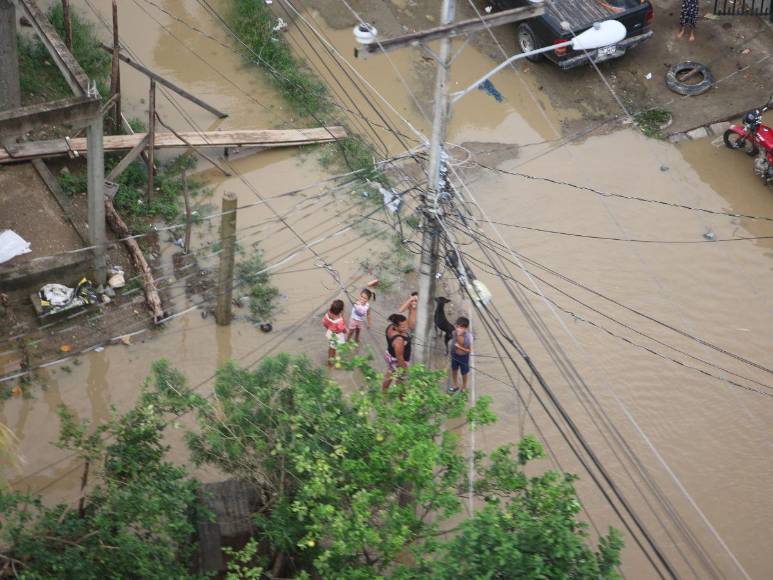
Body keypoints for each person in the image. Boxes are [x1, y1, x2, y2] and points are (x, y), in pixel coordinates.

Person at [382, 294, 418, 391]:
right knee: (400, 381)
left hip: (390, 354)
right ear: (396, 327)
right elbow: (400, 357)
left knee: (390, 374)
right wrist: (405, 370)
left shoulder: (390, 327)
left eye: (406, 325)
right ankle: (401, 401)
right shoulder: (399, 340)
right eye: (403, 326)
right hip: (397, 360)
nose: (406, 328)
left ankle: (383, 393)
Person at [448, 317, 472, 394]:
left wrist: (459, 347)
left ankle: (464, 386)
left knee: (464, 373)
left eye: (461, 327)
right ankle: (455, 385)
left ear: (465, 328)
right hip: (454, 355)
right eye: (458, 327)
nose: (459, 329)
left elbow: (469, 350)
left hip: (464, 357)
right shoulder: (454, 332)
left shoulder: (468, 337)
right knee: (454, 370)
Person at [322, 299, 346, 368]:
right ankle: (337, 363)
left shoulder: (327, 315)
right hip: (338, 337)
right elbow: (342, 330)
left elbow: (324, 322)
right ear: (341, 311)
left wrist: (329, 328)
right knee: (338, 350)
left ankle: (329, 363)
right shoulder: (340, 321)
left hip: (330, 334)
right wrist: (345, 331)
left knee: (331, 348)